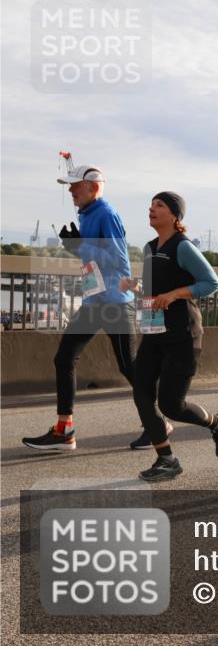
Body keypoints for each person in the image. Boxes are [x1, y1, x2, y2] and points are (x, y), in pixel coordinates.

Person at [23, 154, 142, 452]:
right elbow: (94, 257)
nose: (70, 190)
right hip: (95, 300)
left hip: (115, 302)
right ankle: (65, 431)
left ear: (93, 188)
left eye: (75, 185)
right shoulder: (87, 214)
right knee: (64, 359)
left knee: (130, 368)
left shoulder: (106, 213)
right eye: (69, 185)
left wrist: (80, 245)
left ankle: (158, 423)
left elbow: (120, 262)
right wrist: (77, 247)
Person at [119, 192, 218, 481]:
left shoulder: (183, 247)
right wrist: (136, 288)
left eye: (159, 205)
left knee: (172, 404)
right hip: (155, 331)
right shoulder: (148, 248)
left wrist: (175, 294)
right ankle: (166, 459)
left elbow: (211, 283)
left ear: (174, 215)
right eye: (151, 204)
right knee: (142, 394)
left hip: (184, 334)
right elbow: (154, 291)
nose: (151, 209)